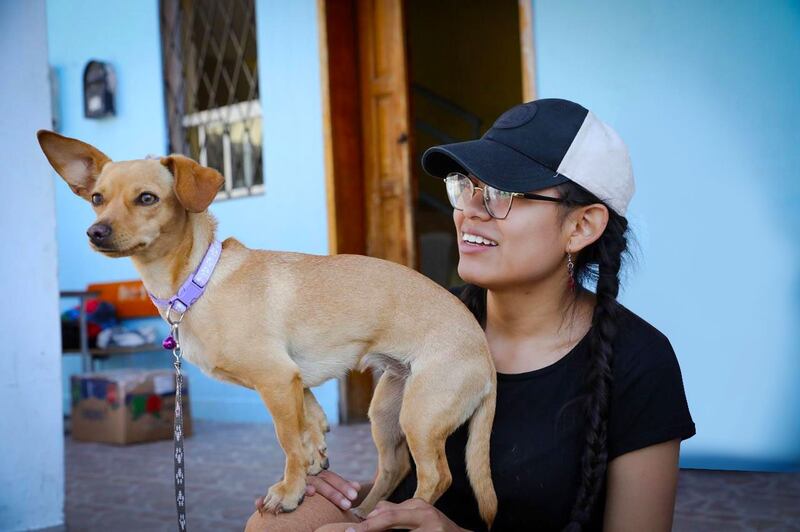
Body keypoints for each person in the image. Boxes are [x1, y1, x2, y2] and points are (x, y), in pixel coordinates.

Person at [246, 98, 696, 532]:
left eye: (500, 193)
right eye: (466, 187)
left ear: (581, 226)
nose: (468, 212)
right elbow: (417, 491)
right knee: (285, 521)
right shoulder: (426, 321)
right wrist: (349, 497)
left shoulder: (639, 361)